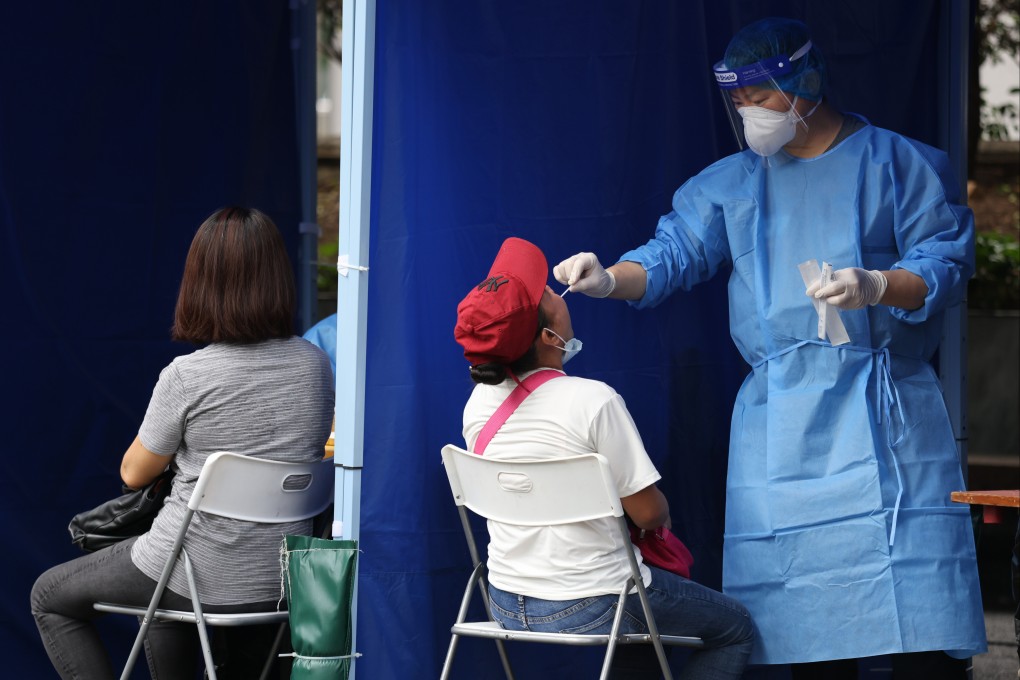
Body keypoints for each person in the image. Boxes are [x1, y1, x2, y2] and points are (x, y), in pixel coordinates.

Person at [552, 16, 987, 678]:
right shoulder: (734, 184)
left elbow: (943, 262)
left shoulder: (901, 166)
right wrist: (610, 279)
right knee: (810, 633)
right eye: (738, 99)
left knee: (915, 626)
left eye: (757, 94)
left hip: (885, 415)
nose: (746, 111)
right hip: (783, 424)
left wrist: (875, 284)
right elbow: (674, 255)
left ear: (802, 83)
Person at [31, 207, 335, 679]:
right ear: (279, 278)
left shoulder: (188, 376)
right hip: (279, 580)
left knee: (51, 597)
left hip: (196, 570)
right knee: (164, 596)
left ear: (201, 282)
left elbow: (134, 473)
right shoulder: (314, 364)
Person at [453, 236, 755, 679]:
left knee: (642, 628)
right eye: (547, 294)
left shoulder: (477, 404)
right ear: (548, 335)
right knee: (736, 628)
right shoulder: (592, 400)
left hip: (503, 598)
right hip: (593, 603)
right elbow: (650, 514)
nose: (557, 291)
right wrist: (657, 515)